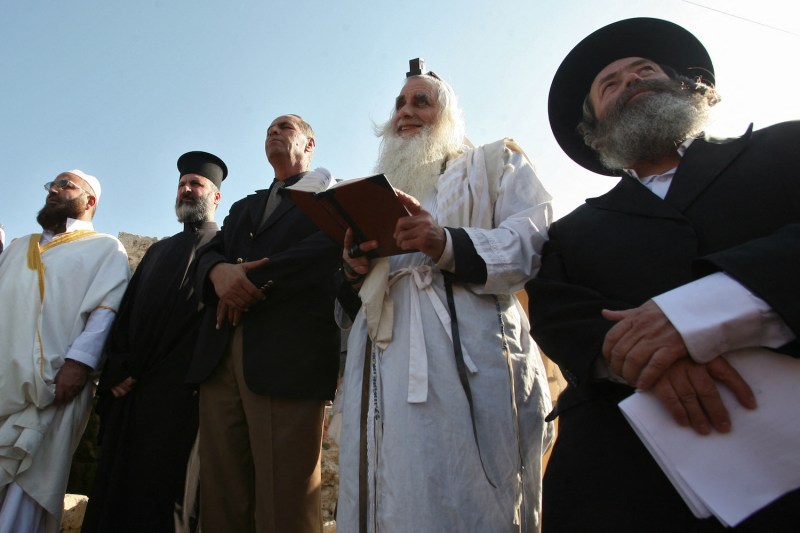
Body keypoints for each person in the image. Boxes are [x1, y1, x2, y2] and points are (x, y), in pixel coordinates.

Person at [526, 17, 800, 532]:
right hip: (622, 468)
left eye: (644, 70)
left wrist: (695, 317)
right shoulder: (573, 230)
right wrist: (636, 358)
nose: (630, 82)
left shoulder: (785, 148)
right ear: (594, 129)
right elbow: (558, 311)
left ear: (684, 87)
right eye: (610, 84)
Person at [335, 59, 554, 532]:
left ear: (449, 115)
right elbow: (361, 296)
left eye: (421, 102)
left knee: (467, 495)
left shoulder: (495, 164)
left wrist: (446, 243)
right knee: (386, 494)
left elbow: (531, 242)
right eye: (399, 104)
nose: (406, 112)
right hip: (381, 365)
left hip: (469, 364)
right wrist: (354, 271)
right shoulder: (373, 193)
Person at [186, 115, 341, 533]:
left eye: (285, 127)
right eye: (269, 129)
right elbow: (209, 254)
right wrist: (218, 274)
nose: (273, 132)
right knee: (222, 495)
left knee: (285, 501)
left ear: (310, 144)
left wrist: (246, 281)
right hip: (221, 357)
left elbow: (324, 250)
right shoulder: (243, 208)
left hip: (288, 358)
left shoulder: (331, 198)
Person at [82, 151, 227, 533]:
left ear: (216, 197)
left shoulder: (224, 249)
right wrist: (117, 367)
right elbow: (124, 314)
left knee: (169, 501)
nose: (186, 189)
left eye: (196, 184)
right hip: (131, 393)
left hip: (182, 398)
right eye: (182, 184)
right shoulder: (158, 251)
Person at [0, 170, 129, 533]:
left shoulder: (105, 248)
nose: (54, 190)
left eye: (66, 185)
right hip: (4, 384)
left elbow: (105, 311)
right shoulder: (17, 247)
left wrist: (79, 363)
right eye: (51, 185)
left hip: (54, 389)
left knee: (26, 488)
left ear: (90, 201)